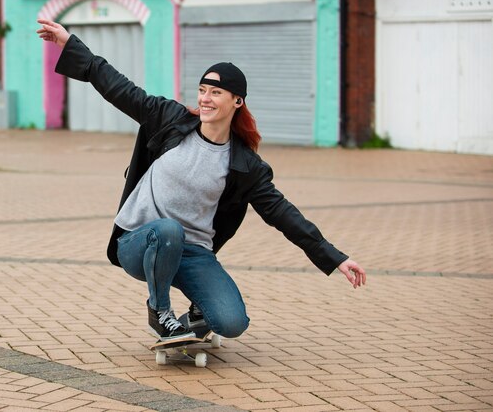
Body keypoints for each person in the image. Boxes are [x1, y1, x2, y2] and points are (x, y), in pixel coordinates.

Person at [37, 19, 366, 343]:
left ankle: (194, 317)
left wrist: (334, 256)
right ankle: (160, 311)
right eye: (203, 90)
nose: (206, 98)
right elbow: (118, 87)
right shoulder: (170, 119)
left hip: (192, 253)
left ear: (237, 101)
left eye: (216, 92)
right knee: (168, 229)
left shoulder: (244, 164)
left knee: (232, 322)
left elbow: (282, 214)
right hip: (140, 243)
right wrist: (70, 44)